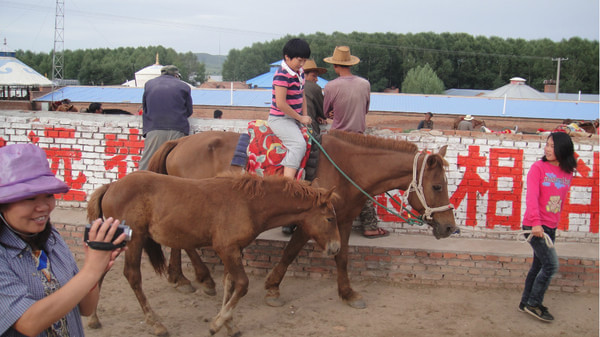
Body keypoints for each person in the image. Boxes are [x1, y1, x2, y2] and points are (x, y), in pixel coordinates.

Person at [0, 143, 126, 336]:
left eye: (49, 195)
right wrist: (91, 271)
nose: (44, 207)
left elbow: (86, 308)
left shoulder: (51, 238)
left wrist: (95, 271)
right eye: (30, 198)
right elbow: (28, 323)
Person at [322, 45, 389, 239]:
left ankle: (327, 223)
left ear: (335, 65)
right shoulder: (365, 84)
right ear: (350, 63)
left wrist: (334, 112)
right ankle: (370, 225)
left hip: (337, 141)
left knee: (332, 182)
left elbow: (326, 112)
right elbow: (365, 109)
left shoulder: (331, 86)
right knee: (361, 183)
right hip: (359, 140)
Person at [519, 132, 576, 322]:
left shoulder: (568, 173)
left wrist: (552, 225)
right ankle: (533, 304)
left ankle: (525, 302)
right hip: (535, 226)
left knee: (538, 266)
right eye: (547, 145)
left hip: (550, 227)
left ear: (563, 149)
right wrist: (536, 223)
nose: (548, 149)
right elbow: (532, 197)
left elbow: (557, 201)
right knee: (551, 265)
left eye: (552, 146)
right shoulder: (538, 168)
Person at [267, 38, 312, 179]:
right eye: (299, 60)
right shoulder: (281, 75)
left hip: (294, 118)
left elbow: (302, 94)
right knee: (298, 145)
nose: (302, 64)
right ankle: (287, 183)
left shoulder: (300, 72)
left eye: (304, 60)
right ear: (287, 57)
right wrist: (300, 118)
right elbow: (281, 103)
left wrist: (305, 116)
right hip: (280, 119)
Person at [138, 65, 193, 170]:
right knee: (174, 163)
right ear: (176, 75)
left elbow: (145, 108)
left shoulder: (149, 84)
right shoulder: (184, 86)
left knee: (148, 163)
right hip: (177, 128)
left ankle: (139, 184)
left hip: (154, 128)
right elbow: (189, 111)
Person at [302, 59, 327, 136]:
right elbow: (324, 112)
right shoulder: (314, 87)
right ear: (304, 75)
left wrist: (316, 115)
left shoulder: (291, 84)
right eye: (313, 76)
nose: (316, 79)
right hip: (308, 128)